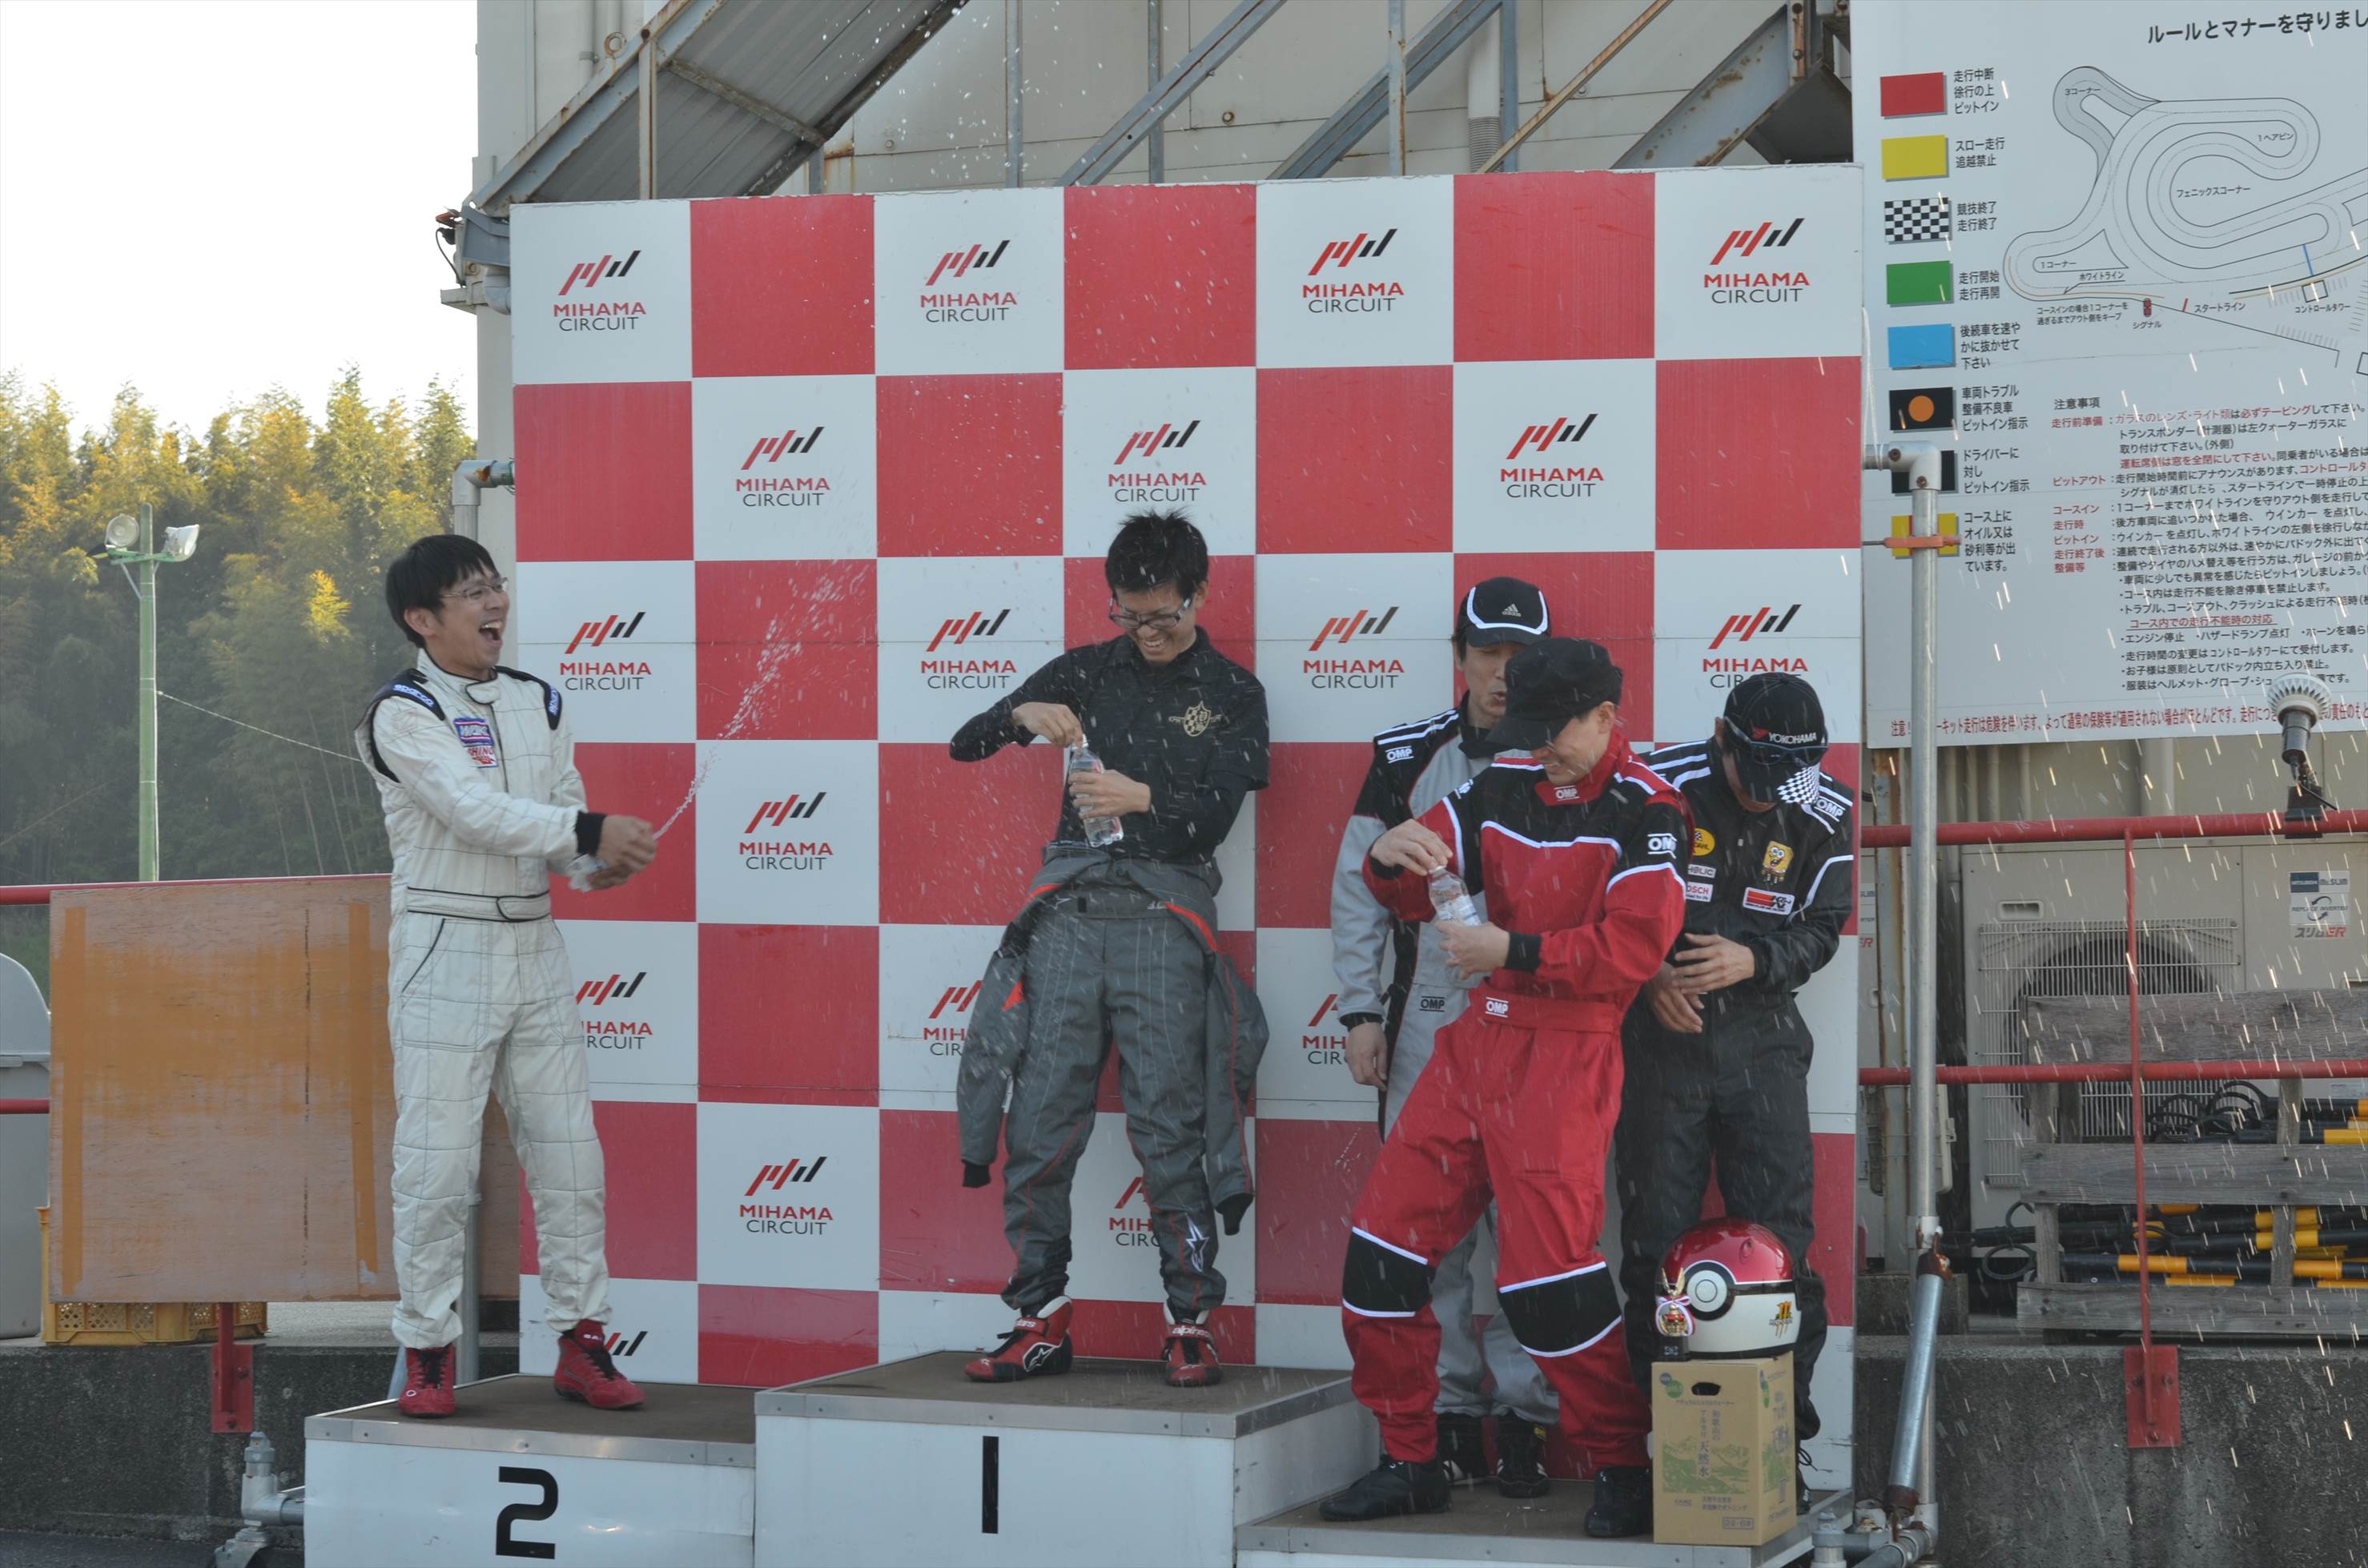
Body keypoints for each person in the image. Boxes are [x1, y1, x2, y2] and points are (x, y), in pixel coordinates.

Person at [1321, 638, 1684, 1538]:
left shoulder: (1649, 808)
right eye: (1527, 729)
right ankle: (1410, 1458)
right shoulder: (1499, 783)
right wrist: (1391, 856)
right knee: (1379, 1258)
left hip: (1567, 1052)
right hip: (1471, 1043)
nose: (1536, 746)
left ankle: (1624, 1466)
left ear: (1606, 716)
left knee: (1548, 1286)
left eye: (1553, 729)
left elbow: (1634, 949)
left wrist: (1512, 949)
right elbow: (1413, 890)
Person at [951, 511, 1270, 1389]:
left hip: (1164, 920)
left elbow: (1213, 820)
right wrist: (1017, 713)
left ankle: (1189, 1321)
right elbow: (964, 743)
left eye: (1161, 615)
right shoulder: (1087, 669)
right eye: (1129, 614)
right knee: (1039, 1121)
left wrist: (1143, 796)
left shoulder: (1233, 690)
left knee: (1170, 1123)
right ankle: (1038, 1317)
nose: (1145, 631)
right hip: (1066, 918)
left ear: (1199, 595)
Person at [356, 534, 657, 1419]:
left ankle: (582, 1342)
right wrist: (587, 831)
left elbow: (558, 816)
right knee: (436, 1171)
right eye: (472, 592)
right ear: (421, 619)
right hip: (443, 947)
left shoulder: (539, 698)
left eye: (496, 585)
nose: (495, 604)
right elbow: (473, 812)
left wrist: (593, 866)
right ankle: (428, 1352)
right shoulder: (401, 712)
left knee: (571, 1162)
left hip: (534, 945)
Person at [1329, 578, 1559, 1496]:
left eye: (1520, 655)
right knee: (1430, 1232)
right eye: (1488, 652)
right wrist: (1358, 1012)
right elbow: (1356, 888)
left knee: (1529, 1231)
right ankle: (1450, 1415)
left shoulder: (1569, 754)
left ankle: (1527, 1421)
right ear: (1458, 656)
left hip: (1536, 1018)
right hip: (1429, 1013)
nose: (1503, 672)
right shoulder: (1404, 756)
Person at [1616, 672, 1852, 1494]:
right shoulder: (1652, 786)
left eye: (1784, 779)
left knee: (1779, 1249)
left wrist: (1754, 959)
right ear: (1721, 737)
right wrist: (1647, 972)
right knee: (1653, 1250)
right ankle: (1661, 1455)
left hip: (1764, 1042)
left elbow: (1823, 927)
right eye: (1753, 776)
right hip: (1660, 1044)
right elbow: (1597, 899)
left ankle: (1777, 1445)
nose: (1765, 796)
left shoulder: (1824, 806)